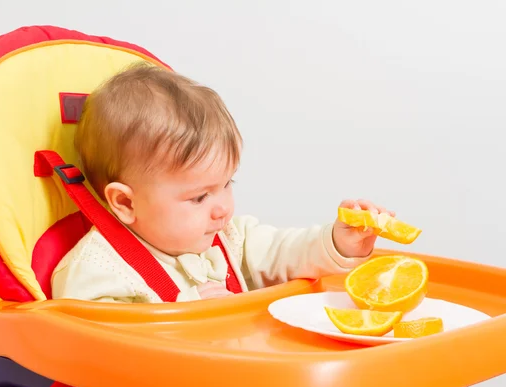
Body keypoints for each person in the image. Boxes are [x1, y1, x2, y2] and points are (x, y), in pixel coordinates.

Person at [51, 62, 395, 303]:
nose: (223, 209)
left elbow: (284, 253)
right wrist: (180, 315)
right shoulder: (95, 270)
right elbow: (94, 344)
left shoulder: (229, 238)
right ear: (126, 203)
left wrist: (339, 242)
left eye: (227, 183)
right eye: (199, 197)